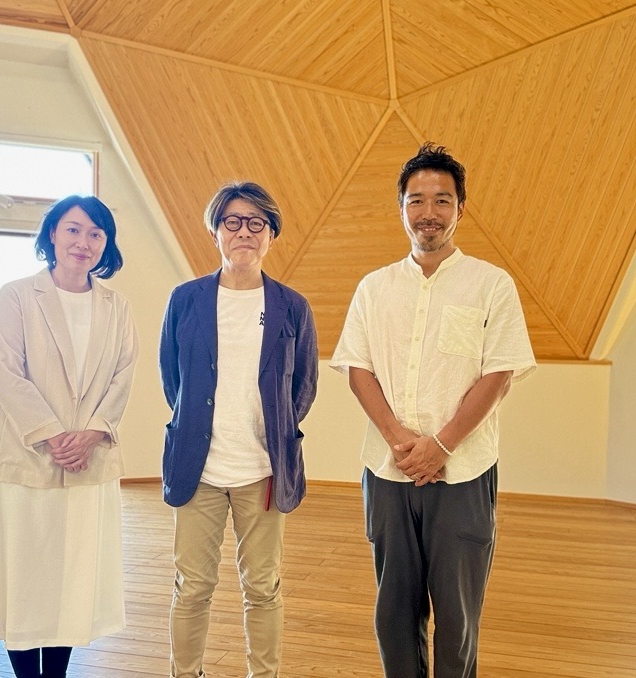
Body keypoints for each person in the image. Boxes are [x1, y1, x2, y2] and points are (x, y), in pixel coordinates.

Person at [330, 143, 536, 677]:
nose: (429, 212)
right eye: (416, 200)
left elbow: (498, 375)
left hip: (463, 473)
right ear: (401, 208)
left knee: (458, 615)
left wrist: (441, 446)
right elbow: (357, 369)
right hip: (388, 470)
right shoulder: (374, 288)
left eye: (442, 200)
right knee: (394, 612)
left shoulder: (491, 285)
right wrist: (402, 441)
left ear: (461, 209)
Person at [0, 195, 139, 678]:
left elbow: (123, 375)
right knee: (24, 576)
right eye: (73, 229)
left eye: (96, 233)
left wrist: (92, 434)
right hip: (26, 458)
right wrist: (53, 437)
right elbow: (8, 373)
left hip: (89, 460)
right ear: (52, 235)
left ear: (105, 244)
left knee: (71, 579)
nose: (84, 242)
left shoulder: (117, 306)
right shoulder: (17, 296)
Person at [159, 181, 318, 678]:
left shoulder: (293, 306)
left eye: (256, 223)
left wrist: (275, 429)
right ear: (216, 232)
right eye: (232, 222)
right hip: (197, 470)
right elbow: (172, 379)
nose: (244, 232)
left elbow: (304, 386)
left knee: (263, 588)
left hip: (263, 470)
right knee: (192, 587)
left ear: (271, 234)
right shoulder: (185, 300)